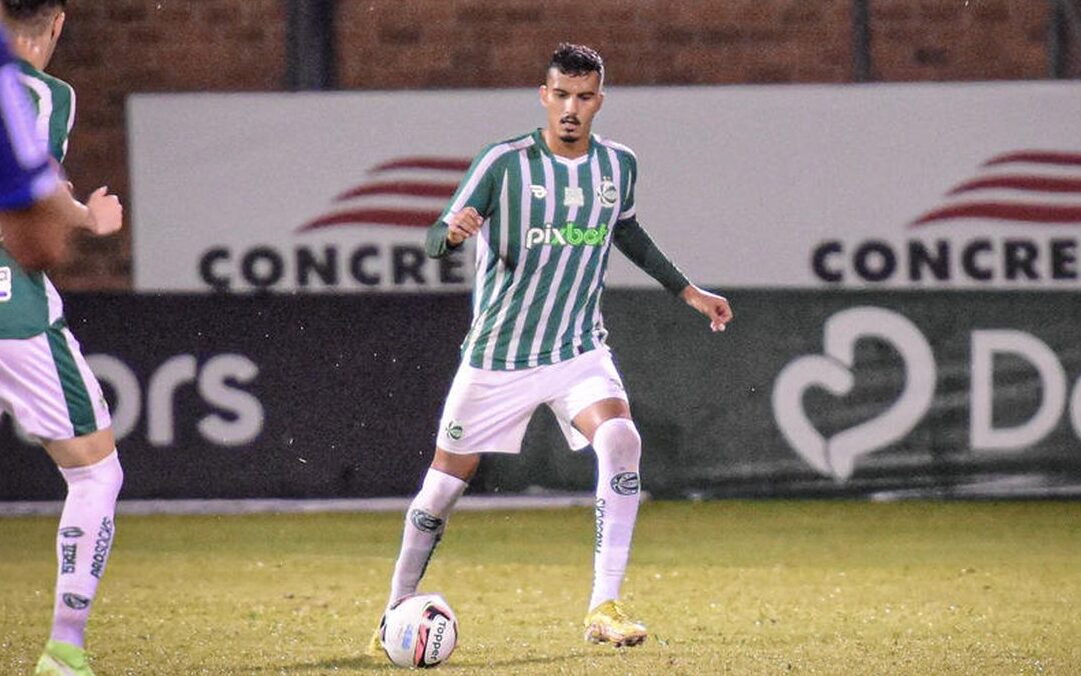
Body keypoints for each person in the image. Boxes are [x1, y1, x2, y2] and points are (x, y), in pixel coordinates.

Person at [371, 43, 733, 651]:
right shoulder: (502, 163)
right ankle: (393, 610)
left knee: (621, 439)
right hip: (496, 358)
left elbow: (626, 231)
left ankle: (605, 606)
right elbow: (438, 234)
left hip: (576, 350)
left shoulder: (618, 165)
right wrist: (449, 234)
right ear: (545, 96)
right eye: (560, 95)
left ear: (599, 100)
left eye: (584, 97)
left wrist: (688, 291)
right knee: (441, 490)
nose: (571, 108)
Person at [0, 1, 124, 674]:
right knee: (95, 472)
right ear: (57, 24)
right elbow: (32, 199)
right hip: (9, 304)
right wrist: (91, 217)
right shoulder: (46, 95)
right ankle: (64, 651)